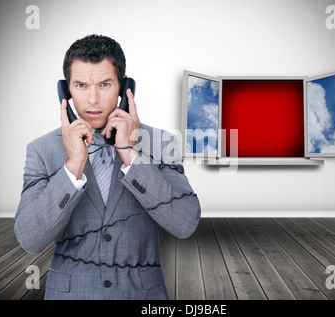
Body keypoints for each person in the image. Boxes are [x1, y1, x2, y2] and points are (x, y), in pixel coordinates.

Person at [14, 34, 201, 300]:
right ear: (65, 91)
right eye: (80, 85)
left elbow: (185, 223)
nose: (92, 100)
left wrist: (129, 154)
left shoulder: (162, 143)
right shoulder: (41, 150)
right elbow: (30, 239)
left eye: (104, 84)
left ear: (124, 88)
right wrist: (73, 167)